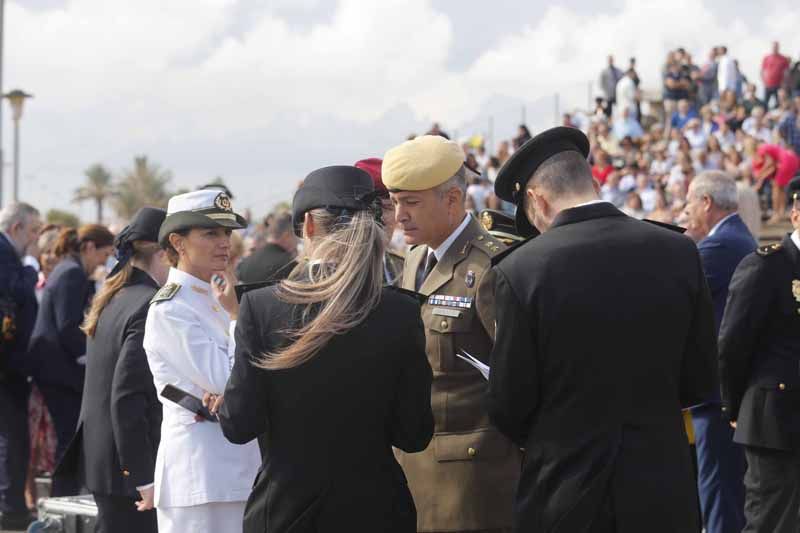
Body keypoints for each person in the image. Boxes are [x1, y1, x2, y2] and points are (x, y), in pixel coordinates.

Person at [489, 126, 718, 532]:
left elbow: (510, 405)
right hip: (661, 489)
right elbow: (699, 379)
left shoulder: (521, 269)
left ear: (536, 200)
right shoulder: (678, 251)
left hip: (564, 493)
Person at [216, 165, 434, 533]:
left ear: (309, 227)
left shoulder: (261, 307)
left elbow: (239, 425)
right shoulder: (401, 311)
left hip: (288, 512)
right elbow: (414, 434)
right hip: (378, 512)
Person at [383, 135, 521, 533]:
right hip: (414, 466)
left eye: (411, 202)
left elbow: (520, 379)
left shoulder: (491, 266)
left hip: (473, 478)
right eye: (395, 202)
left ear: (452, 200)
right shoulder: (413, 259)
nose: (399, 215)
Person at [143, 189, 261, 532]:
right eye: (210, 233)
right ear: (178, 243)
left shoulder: (220, 295)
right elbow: (228, 381)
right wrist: (238, 320)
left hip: (240, 466)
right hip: (201, 474)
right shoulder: (171, 309)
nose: (224, 242)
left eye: (226, 233)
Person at [56, 208, 168, 533]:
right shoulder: (148, 303)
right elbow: (127, 396)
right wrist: (142, 474)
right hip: (127, 463)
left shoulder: (113, 297)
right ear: (162, 253)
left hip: (104, 458)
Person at [718, 192, 800, 532]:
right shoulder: (767, 265)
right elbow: (732, 343)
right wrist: (734, 406)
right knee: (771, 521)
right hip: (775, 421)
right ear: (795, 214)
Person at [682, 171, 756, 533]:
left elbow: (672, 293)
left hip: (716, 397)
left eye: (689, 204)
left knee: (718, 496)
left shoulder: (718, 247)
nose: (686, 213)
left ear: (706, 202)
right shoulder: (737, 237)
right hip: (729, 393)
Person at [28, 223, 114, 496]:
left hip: (56, 369)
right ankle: (63, 498)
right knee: (68, 438)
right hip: (58, 371)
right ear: (89, 247)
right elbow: (67, 326)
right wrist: (90, 359)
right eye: (104, 254)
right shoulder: (72, 273)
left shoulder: (71, 270)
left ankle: (64, 494)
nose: (104, 261)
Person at [0, 203, 41, 530]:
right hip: (7, 366)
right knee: (11, 440)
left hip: (12, 364)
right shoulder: (5, 253)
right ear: (16, 229)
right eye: (33, 231)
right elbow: (17, 291)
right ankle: (10, 509)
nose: (36, 238)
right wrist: (31, 266)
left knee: (14, 440)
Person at [355, 157, 405, 285]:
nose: (380, 217)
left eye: (387, 208)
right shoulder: (335, 269)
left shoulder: (404, 269)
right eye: (371, 209)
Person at [236, 210, 297, 284]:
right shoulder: (289, 264)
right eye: (295, 235)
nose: (296, 241)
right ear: (287, 236)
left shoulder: (244, 264)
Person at [753, 142, 800, 223]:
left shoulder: (762, 149)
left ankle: (775, 215)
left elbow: (769, 163)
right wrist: (760, 179)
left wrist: (760, 174)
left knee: (776, 188)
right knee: (780, 188)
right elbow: (772, 168)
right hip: (794, 160)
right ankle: (781, 212)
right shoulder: (769, 148)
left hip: (786, 161)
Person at [761, 41, 790, 109]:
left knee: (778, 103)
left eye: (776, 46)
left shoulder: (783, 59)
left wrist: (783, 84)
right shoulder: (766, 58)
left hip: (779, 85)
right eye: (774, 47)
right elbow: (762, 71)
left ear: (778, 47)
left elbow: (786, 73)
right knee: (765, 103)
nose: (775, 48)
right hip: (768, 85)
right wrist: (764, 82)